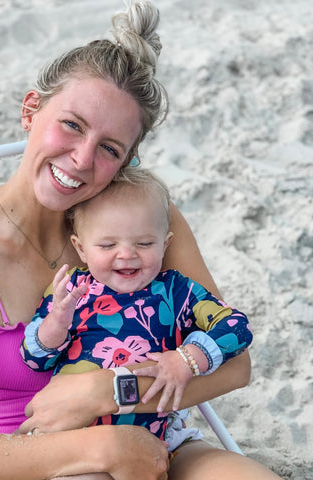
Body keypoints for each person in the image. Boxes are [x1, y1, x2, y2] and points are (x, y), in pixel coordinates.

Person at [0, 1, 282, 479]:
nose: (81, 159)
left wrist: (108, 391)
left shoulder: (143, 232)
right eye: (72, 124)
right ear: (30, 110)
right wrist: (102, 447)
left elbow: (235, 365)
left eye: (109, 148)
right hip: (26, 459)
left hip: (157, 443)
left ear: (124, 164)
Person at [21, 168, 253, 453]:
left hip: (158, 441)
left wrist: (188, 359)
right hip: (77, 442)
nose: (127, 254)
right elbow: (34, 359)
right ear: (81, 248)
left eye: (144, 243)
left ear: (165, 243)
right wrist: (56, 323)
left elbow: (237, 328)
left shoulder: (178, 291)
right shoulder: (71, 291)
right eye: (108, 245)